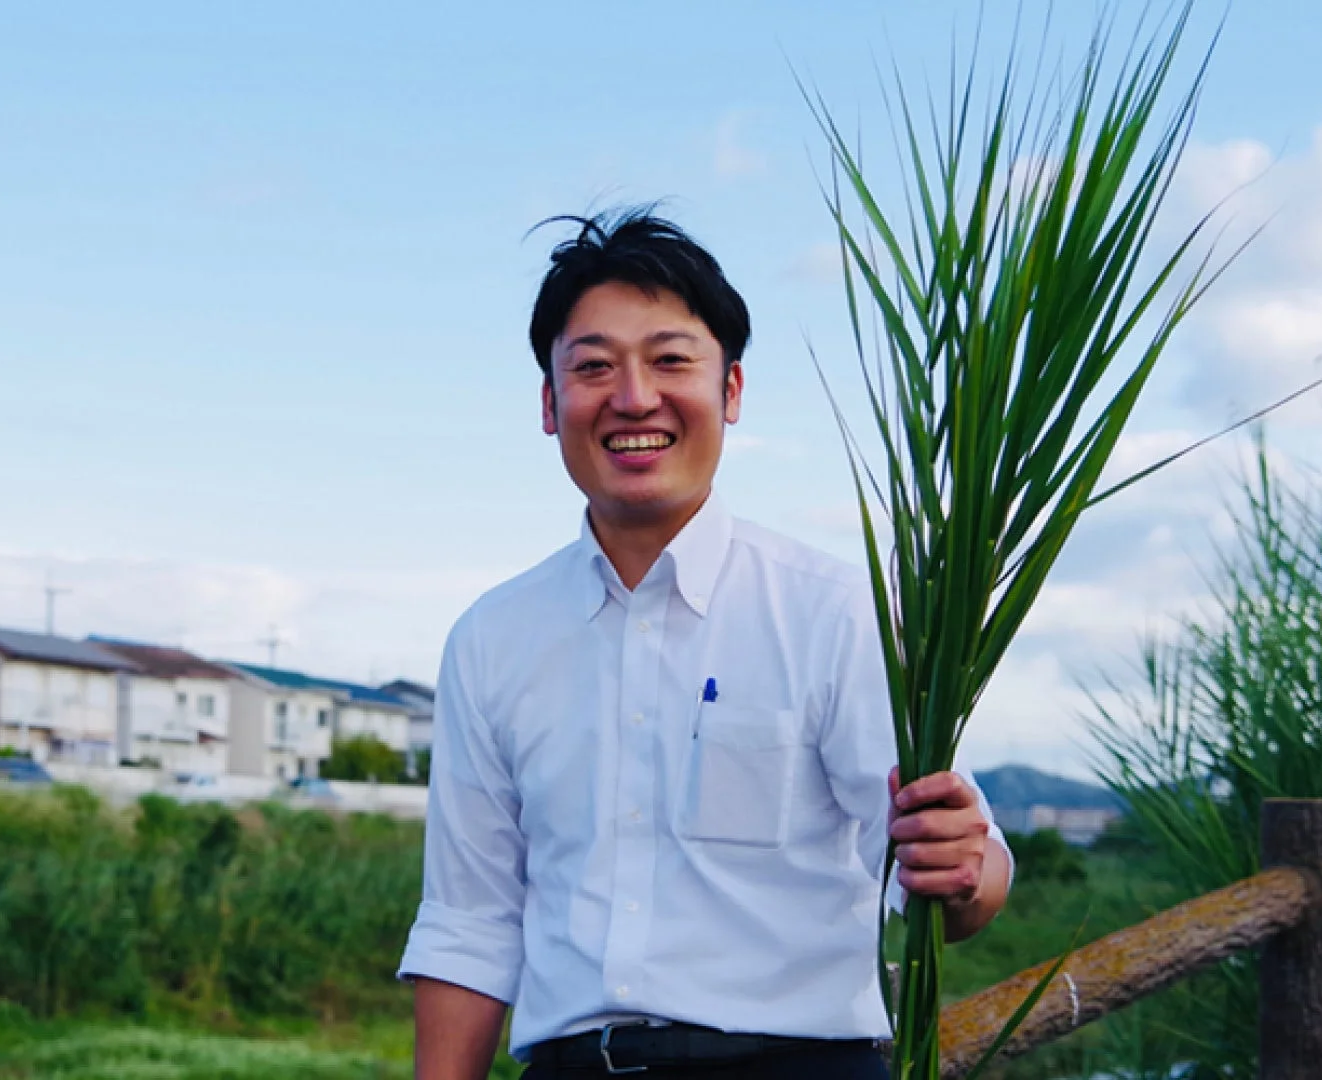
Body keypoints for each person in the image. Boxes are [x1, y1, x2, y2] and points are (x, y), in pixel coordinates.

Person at [399, 208, 1013, 1079]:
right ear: (550, 401)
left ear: (730, 391)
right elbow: (470, 920)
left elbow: (962, 874)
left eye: (671, 360)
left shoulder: (836, 612)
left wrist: (966, 866)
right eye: (593, 367)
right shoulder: (492, 639)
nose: (634, 397)